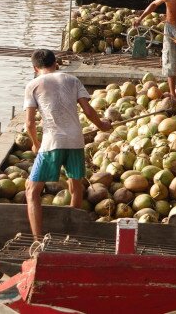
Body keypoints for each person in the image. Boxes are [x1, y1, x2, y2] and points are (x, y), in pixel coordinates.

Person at [24, 49, 111, 240]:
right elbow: (88, 110)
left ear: (35, 68)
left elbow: (29, 123)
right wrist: (102, 125)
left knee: (32, 191)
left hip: (52, 143)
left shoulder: (33, 84)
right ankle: (71, 234)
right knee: (75, 187)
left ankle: (37, 241)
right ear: (56, 63)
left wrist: (35, 144)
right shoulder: (72, 80)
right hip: (75, 141)